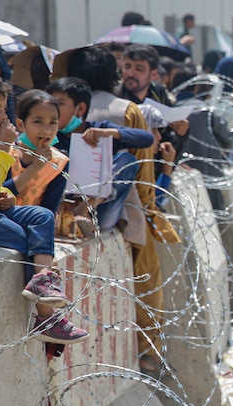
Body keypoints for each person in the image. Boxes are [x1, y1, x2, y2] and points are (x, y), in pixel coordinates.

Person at [63, 45, 179, 374]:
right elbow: (141, 170)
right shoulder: (126, 109)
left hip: (73, 207)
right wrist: (151, 209)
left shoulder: (63, 105)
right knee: (147, 283)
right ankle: (149, 353)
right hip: (125, 210)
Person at [0, 73, 88, 344]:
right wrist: (5, 148)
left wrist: (5, 194)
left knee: (42, 216)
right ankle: (46, 316)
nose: (2, 117)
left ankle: (42, 281)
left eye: (4, 109)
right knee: (21, 238)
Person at [45, 76, 155, 229]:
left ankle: (87, 205)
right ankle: (75, 211)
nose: (53, 111)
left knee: (126, 160)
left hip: (100, 213)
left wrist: (110, 133)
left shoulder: (99, 129)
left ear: (80, 109)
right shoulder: (51, 136)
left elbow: (147, 139)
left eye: (59, 104)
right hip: (61, 210)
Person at [8, 90, 70, 215]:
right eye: (38, 122)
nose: (47, 130)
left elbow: (49, 210)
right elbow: (0, 195)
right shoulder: (5, 152)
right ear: (20, 124)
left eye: (53, 122)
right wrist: (35, 168)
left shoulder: (59, 163)